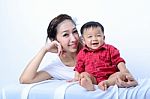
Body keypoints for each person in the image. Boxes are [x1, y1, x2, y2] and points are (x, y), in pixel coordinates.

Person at [19, 14, 137, 89]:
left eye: (75, 31)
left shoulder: (93, 45)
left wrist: (126, 79)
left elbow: (119, 65)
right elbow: (25, 79)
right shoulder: (57, 66)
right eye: (66, 35)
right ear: (55, 40)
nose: (74, 38)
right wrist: (44, 50)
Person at [73, 21, 138, 91]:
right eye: (90, 37)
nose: (94, 39)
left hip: (110, 76)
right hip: (93, 78)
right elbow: (79, 68)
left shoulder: (110, 49)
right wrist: (76, 77)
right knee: (83, 74)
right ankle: (89, 86)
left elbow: (118, 61)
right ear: (83, 40)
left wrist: (124, 71)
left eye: (98, 35)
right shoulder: (82, 53)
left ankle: (107, 83)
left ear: (103, 37)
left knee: (119, 75)